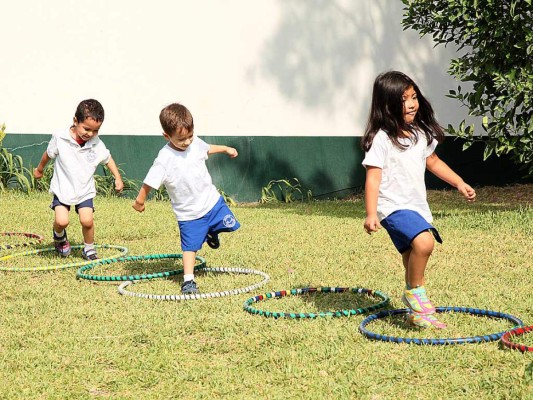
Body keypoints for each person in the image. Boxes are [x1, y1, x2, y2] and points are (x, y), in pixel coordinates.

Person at [361, 71, 476, 329]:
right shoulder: (381, 139)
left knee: (411, 255)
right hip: (392, 207)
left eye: (414, 97)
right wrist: (370, 213)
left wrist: (459, 182)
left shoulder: (419, 133)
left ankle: (418, 313)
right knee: (424, 243)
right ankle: (415, 293)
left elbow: (433, 162)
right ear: (388, 104)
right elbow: (373, 179)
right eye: (405, 99)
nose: (412, 103)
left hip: (416, 207)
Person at [132, 103, 240, 294]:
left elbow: (206, 148)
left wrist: (226, 149)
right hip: (188, 213)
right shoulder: (165, 158)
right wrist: (140, 200)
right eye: (181, 139)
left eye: (190, 136)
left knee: (230, 224)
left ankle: (211, 232)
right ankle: (188, 281)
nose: (187, 142)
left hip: (211, 202)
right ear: (167, 136)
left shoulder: (195, 143)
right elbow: (150, 181)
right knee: (190, 247)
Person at [34, 99, 124, 260]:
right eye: (87, 129)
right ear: (75, 121)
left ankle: (89, 248)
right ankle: (59, 236)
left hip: (84, 189)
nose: (90, 134)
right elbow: (48, 154)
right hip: (63, 188)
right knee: (61, 221)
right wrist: (40, 170)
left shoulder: (96, 143)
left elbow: (107, 158)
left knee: (87, 221)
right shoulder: (60, 138)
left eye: (96, 131)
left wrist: (117, 177)